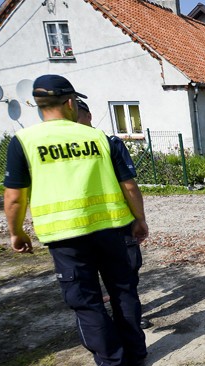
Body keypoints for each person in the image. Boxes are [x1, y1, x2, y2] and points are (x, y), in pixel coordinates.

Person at [4, 74, 148, 366]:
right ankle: (136, 354)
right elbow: (129, 186)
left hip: (65, 237)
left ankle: (112, 364)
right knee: (123, 291)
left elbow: (14, 198)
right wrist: (140, 219)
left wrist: (17, 232)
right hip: (111, 227)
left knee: (86, 301)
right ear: (70, 103)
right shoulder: (98, 139)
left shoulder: (25, 142)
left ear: (38, 105)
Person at [76, 98, 151, 329]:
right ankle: (121, 322)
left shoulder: (108, 144)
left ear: (88, 116)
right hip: (103, 224)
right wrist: (140, 219)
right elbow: (128, 185)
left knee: (121, 274)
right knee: (119, 276)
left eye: (78, 116)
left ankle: (120, 319)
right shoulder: (105, 144)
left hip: (96, 223)